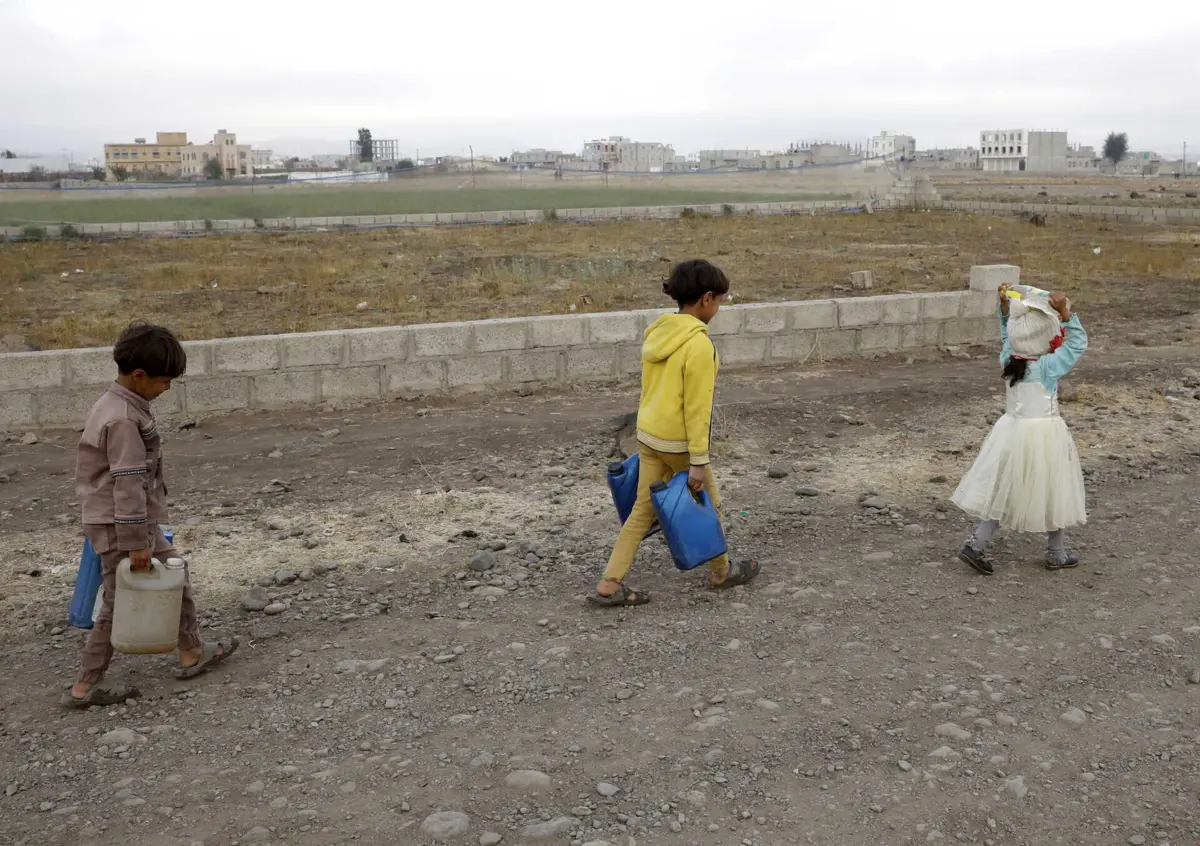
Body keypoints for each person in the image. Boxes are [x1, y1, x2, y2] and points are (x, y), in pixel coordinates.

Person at [65, 323, 238, 708]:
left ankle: (192, 650)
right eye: (164, 382)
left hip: (126, 521)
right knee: (118, 601)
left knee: (173, 575)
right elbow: (126, 483)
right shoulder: (123, 420)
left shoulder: (120, 404)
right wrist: (137, 543)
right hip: (123, 525)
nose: (167, 389)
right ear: (139, 376)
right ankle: (85, 685)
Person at [591, 259, 761, 606]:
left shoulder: (658, 333)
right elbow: (697, 411)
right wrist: (698, 461)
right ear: (706, 299)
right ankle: (721, 572)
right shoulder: (699, 346)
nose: (720, 308)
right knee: (709, 505)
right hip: (680, 443)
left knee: (641, 509)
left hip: (649, 436)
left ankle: (610, 583)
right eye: (721, 302)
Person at [952, 284, 1088, 575]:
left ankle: (976, 544)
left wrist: (1004, 313)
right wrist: (1066, 313)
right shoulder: (1049, 366)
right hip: (1045, 436)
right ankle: (1056, 553)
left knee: (1004, 488)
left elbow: (1006, 339)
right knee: (1054, 489)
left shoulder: (1008, 361)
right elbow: (1077, 344)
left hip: (1011, 431)